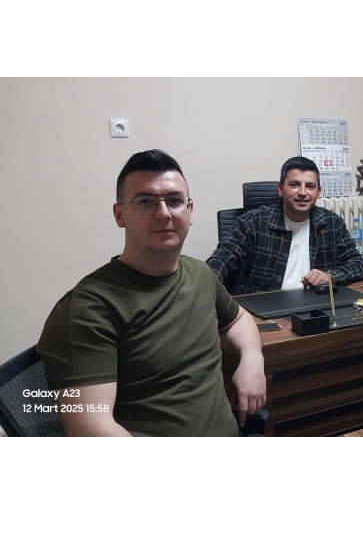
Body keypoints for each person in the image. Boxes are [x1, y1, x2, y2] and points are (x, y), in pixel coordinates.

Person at [37, 149, 267, 436]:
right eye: (145, 201)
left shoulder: (200, 275)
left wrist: (252, 359)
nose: (163, 213)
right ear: (119, 215)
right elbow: (91, 429)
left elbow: (238, 319)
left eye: (175, 200)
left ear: (190, 211)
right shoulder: (86, 309)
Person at [207, 156, 363, 294]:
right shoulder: (252, 222)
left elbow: (357, 265)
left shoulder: (333, 223)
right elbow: (221, 260)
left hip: (314, 305)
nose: (302, 192)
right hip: (261, 308)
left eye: (310, 186)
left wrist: (330, 276)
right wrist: (205, 287)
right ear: (280, 189)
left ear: (318, 192)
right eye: (295, 185)